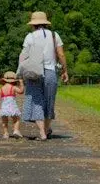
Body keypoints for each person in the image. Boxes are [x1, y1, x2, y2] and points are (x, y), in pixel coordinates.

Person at [17, 11, 68, 141]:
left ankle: (42, 132)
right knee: (49, 102)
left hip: (34, 73)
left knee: (37, 102)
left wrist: (20, 74)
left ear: (33, 24)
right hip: (50, 72)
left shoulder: (30, 37)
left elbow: (23, 56)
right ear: (45, 23)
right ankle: (46, 129)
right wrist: (65, 70)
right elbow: (61, 55)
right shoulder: (54, 35)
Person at [0, 71, 24, 139]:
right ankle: (16, 130)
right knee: (16, 119)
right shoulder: (13, 87)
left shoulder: (1, 89)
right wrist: (21, 83)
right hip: (12, 106)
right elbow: (21, 91)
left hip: (4, 107)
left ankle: (6, 133)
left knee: (4, 121)